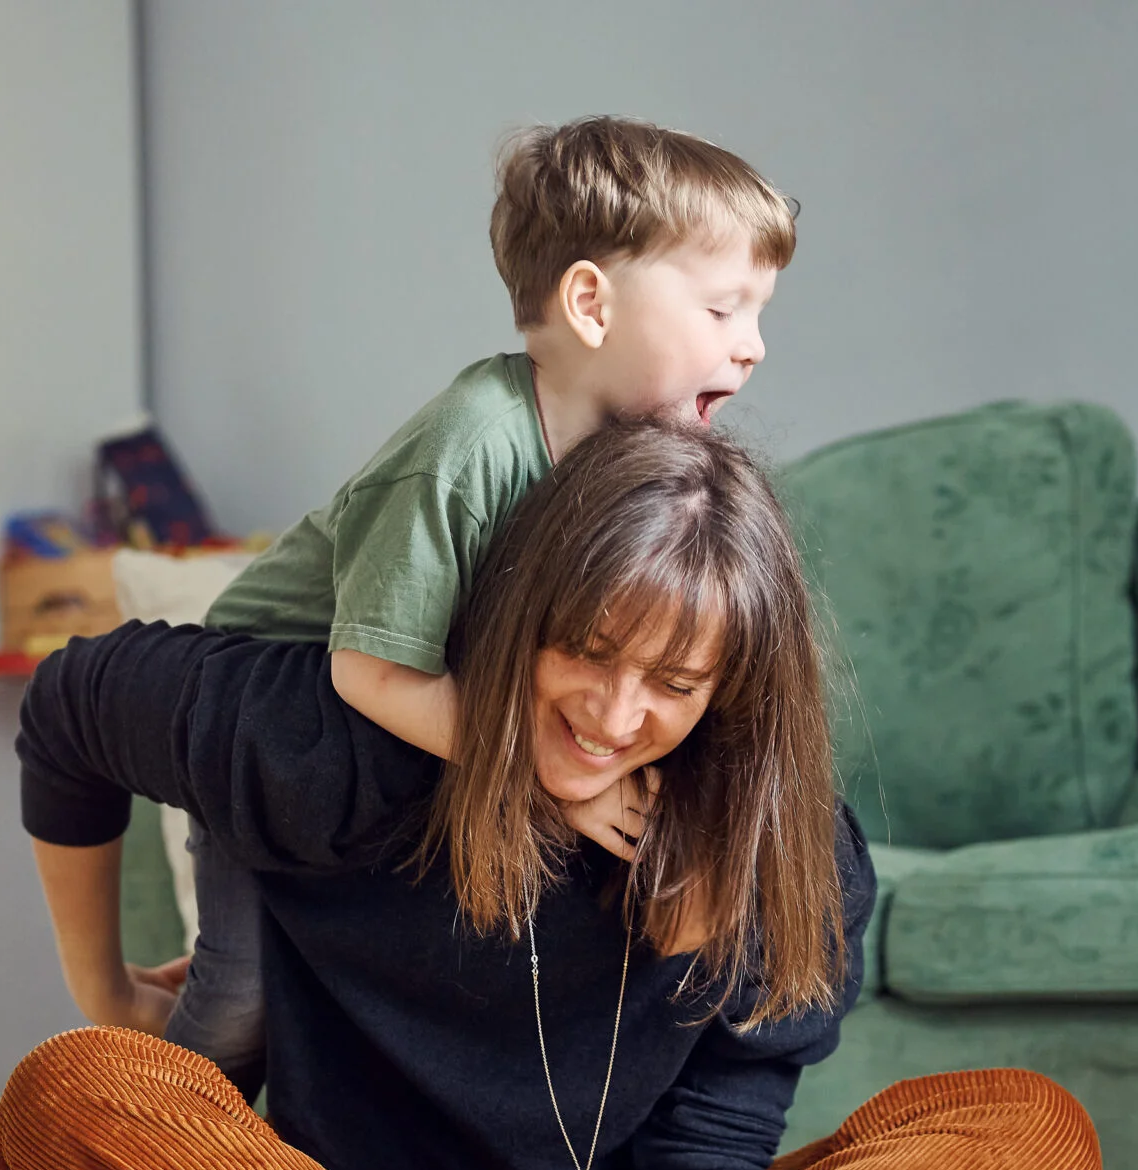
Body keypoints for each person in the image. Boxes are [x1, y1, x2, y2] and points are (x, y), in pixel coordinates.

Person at [1, 418, 1104, 1170]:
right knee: (67, 1092)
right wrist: (99, 983)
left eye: (672, 683)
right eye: (583, 651)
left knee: (1028, 1133)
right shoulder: (329, 740)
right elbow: (67, 707)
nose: (614, 718)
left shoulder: (781, 849)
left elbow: (712, 1145)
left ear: (732, 689)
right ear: (514, 611)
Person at [165, 116, 795, 1100]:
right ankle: (134, 1140)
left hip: (395, 724)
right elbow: (369, 671)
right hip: (280, 711)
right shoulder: (469, 451)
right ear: (591, 301)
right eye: (724, 311)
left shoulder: (610, 464)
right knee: (239, 997)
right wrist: (562, 780)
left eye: (758, 315)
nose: (751, 348)